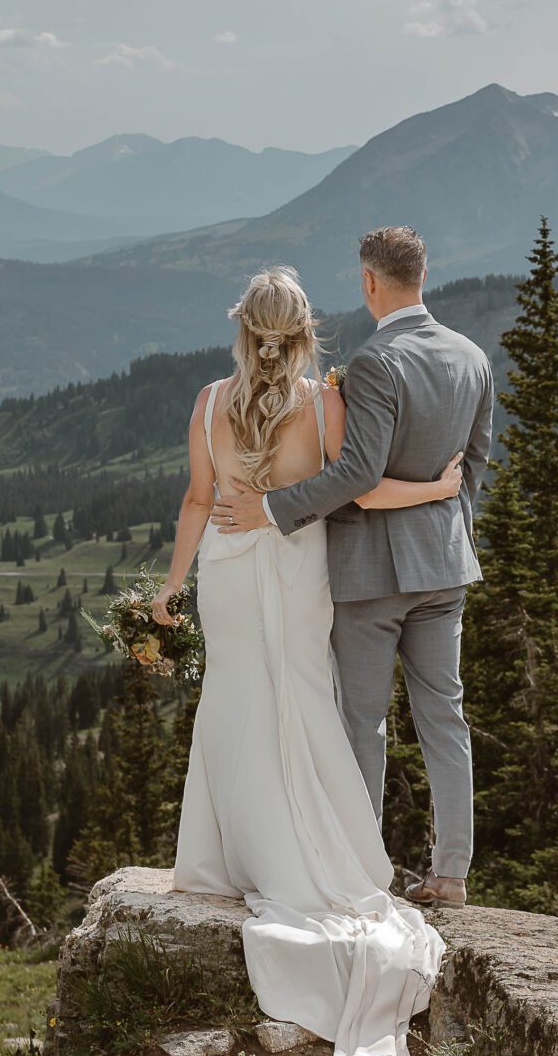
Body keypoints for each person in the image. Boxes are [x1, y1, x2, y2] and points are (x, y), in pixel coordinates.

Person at [156, 264, 462, 1056]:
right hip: (296, 570)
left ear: (242, 326)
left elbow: (196, 500)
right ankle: (311, 850)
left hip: (223, 567)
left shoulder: (208, 403)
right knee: (301, 696)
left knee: (234, 697)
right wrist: (436, 486)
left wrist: (168, 588)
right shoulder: (319, 402)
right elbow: (355, 489)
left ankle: (228, 857)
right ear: (302, 332)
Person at [211, 226, 493, 911]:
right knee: (444, 717)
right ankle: (451, 871)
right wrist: (450, 533)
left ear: (371, 282)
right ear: (422, 275)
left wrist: (273, 509)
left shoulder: (373, 363)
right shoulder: (472, 356)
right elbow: (476, 465)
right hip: (445, 568)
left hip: (372, 573)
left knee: (362, 723)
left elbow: (359, 474)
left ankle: (366, 868)